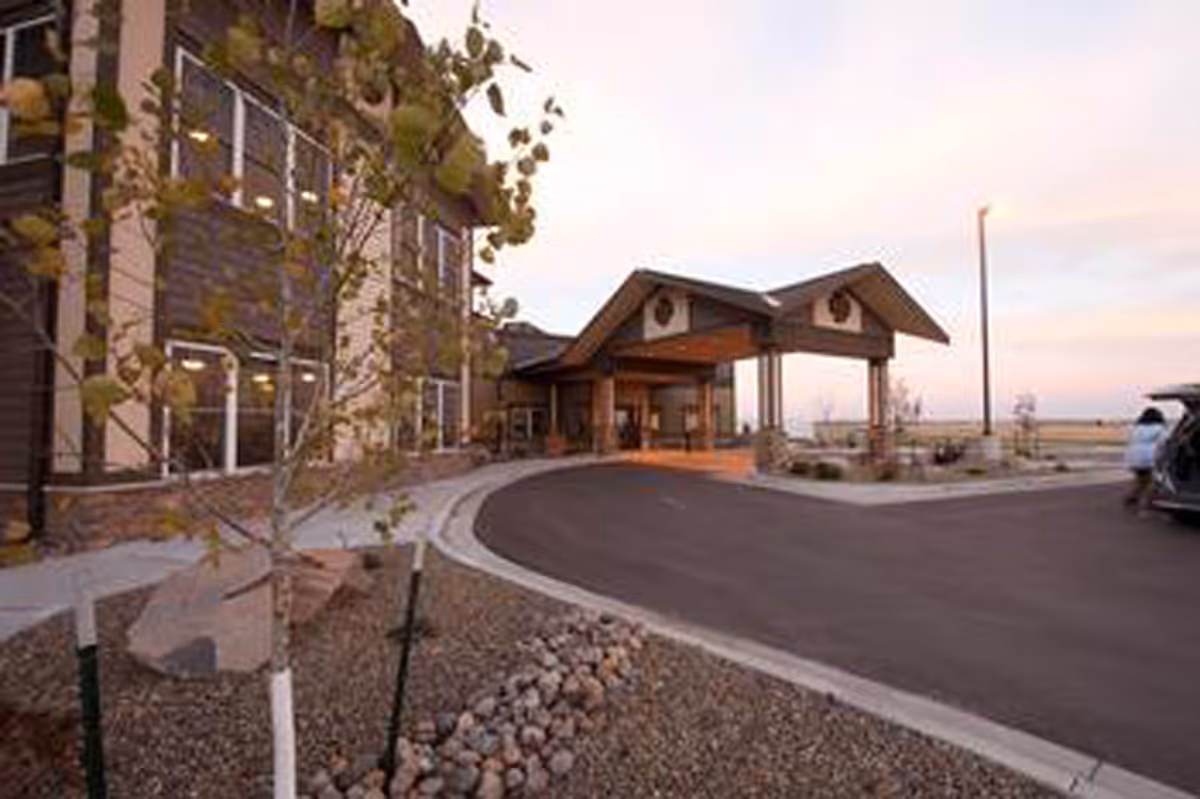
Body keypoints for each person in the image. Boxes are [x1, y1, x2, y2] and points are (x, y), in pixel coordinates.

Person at [1124, 407, 1168, 512]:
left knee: (1140, 479)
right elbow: (1164, 441)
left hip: (1133, 456)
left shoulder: (1135, 427)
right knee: (1152, 480)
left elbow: (1129, 438)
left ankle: (1132, 498)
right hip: (1149, 456)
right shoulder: (1159, 428)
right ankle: (1148, 502)